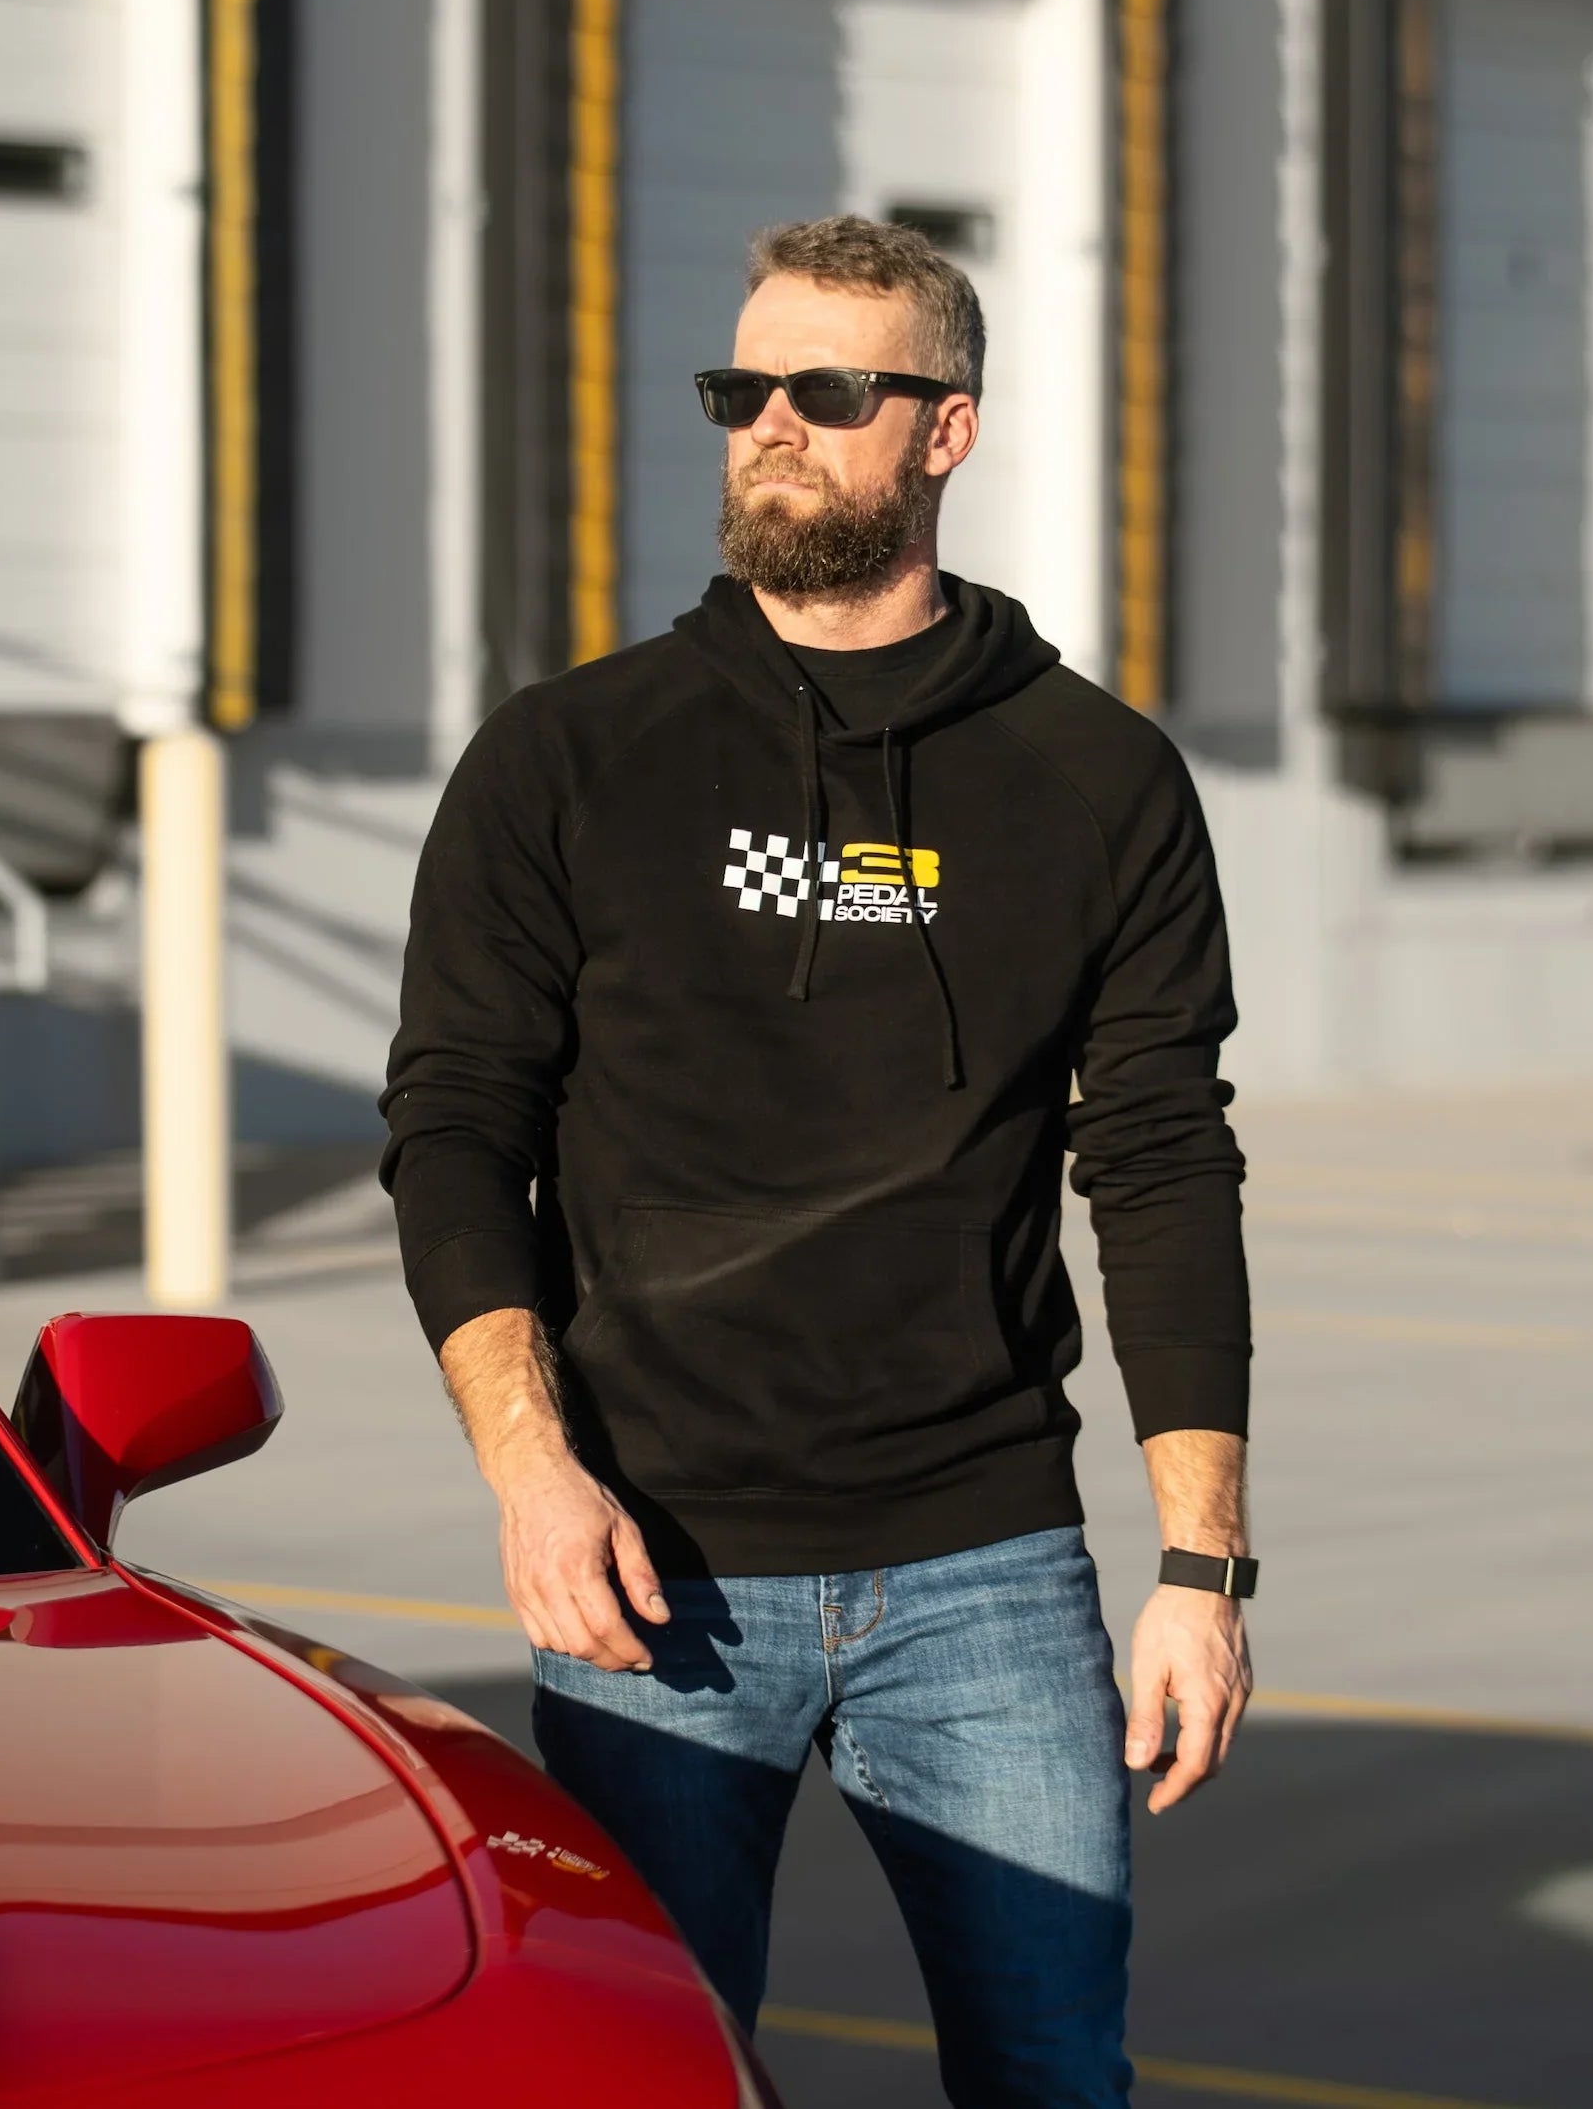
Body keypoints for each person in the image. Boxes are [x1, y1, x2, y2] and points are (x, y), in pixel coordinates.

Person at [381, 213, 1255, 2106]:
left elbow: (1167, 1163)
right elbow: (456, 1129)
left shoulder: (1097, 780)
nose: (769, 426)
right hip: (651, 1573)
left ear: (945, 431)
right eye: (741, 389)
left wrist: (1201, 1560)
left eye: (828, 390)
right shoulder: (566, 758)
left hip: (988, 1564)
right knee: (656, 2081)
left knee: (1051, 2075)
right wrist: (533, 1478)